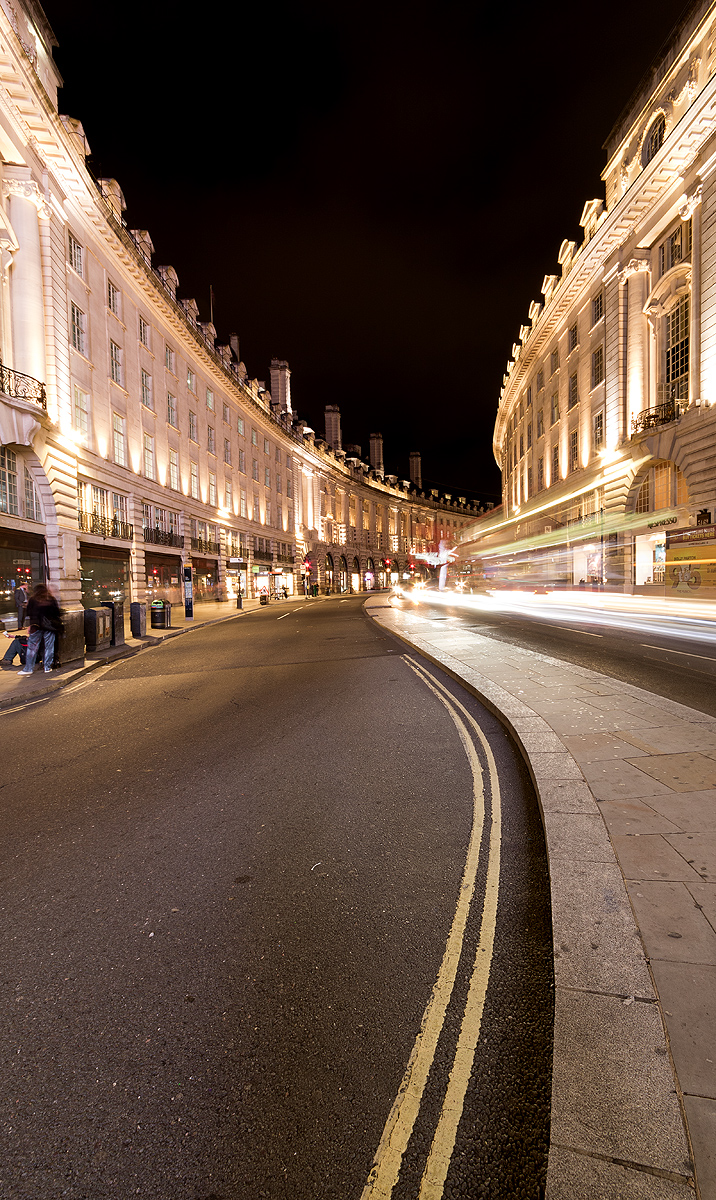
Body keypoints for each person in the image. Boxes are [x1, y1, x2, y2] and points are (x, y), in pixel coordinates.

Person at [17, 584, 62, 676]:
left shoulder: (33, 599)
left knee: (32, 648)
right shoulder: (50, 599)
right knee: (49, 647)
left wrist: (31, 625)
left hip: (36, 626)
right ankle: (47, 667)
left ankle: (29, 668)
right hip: (49, 627)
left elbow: (29, 613)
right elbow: (57, 612)